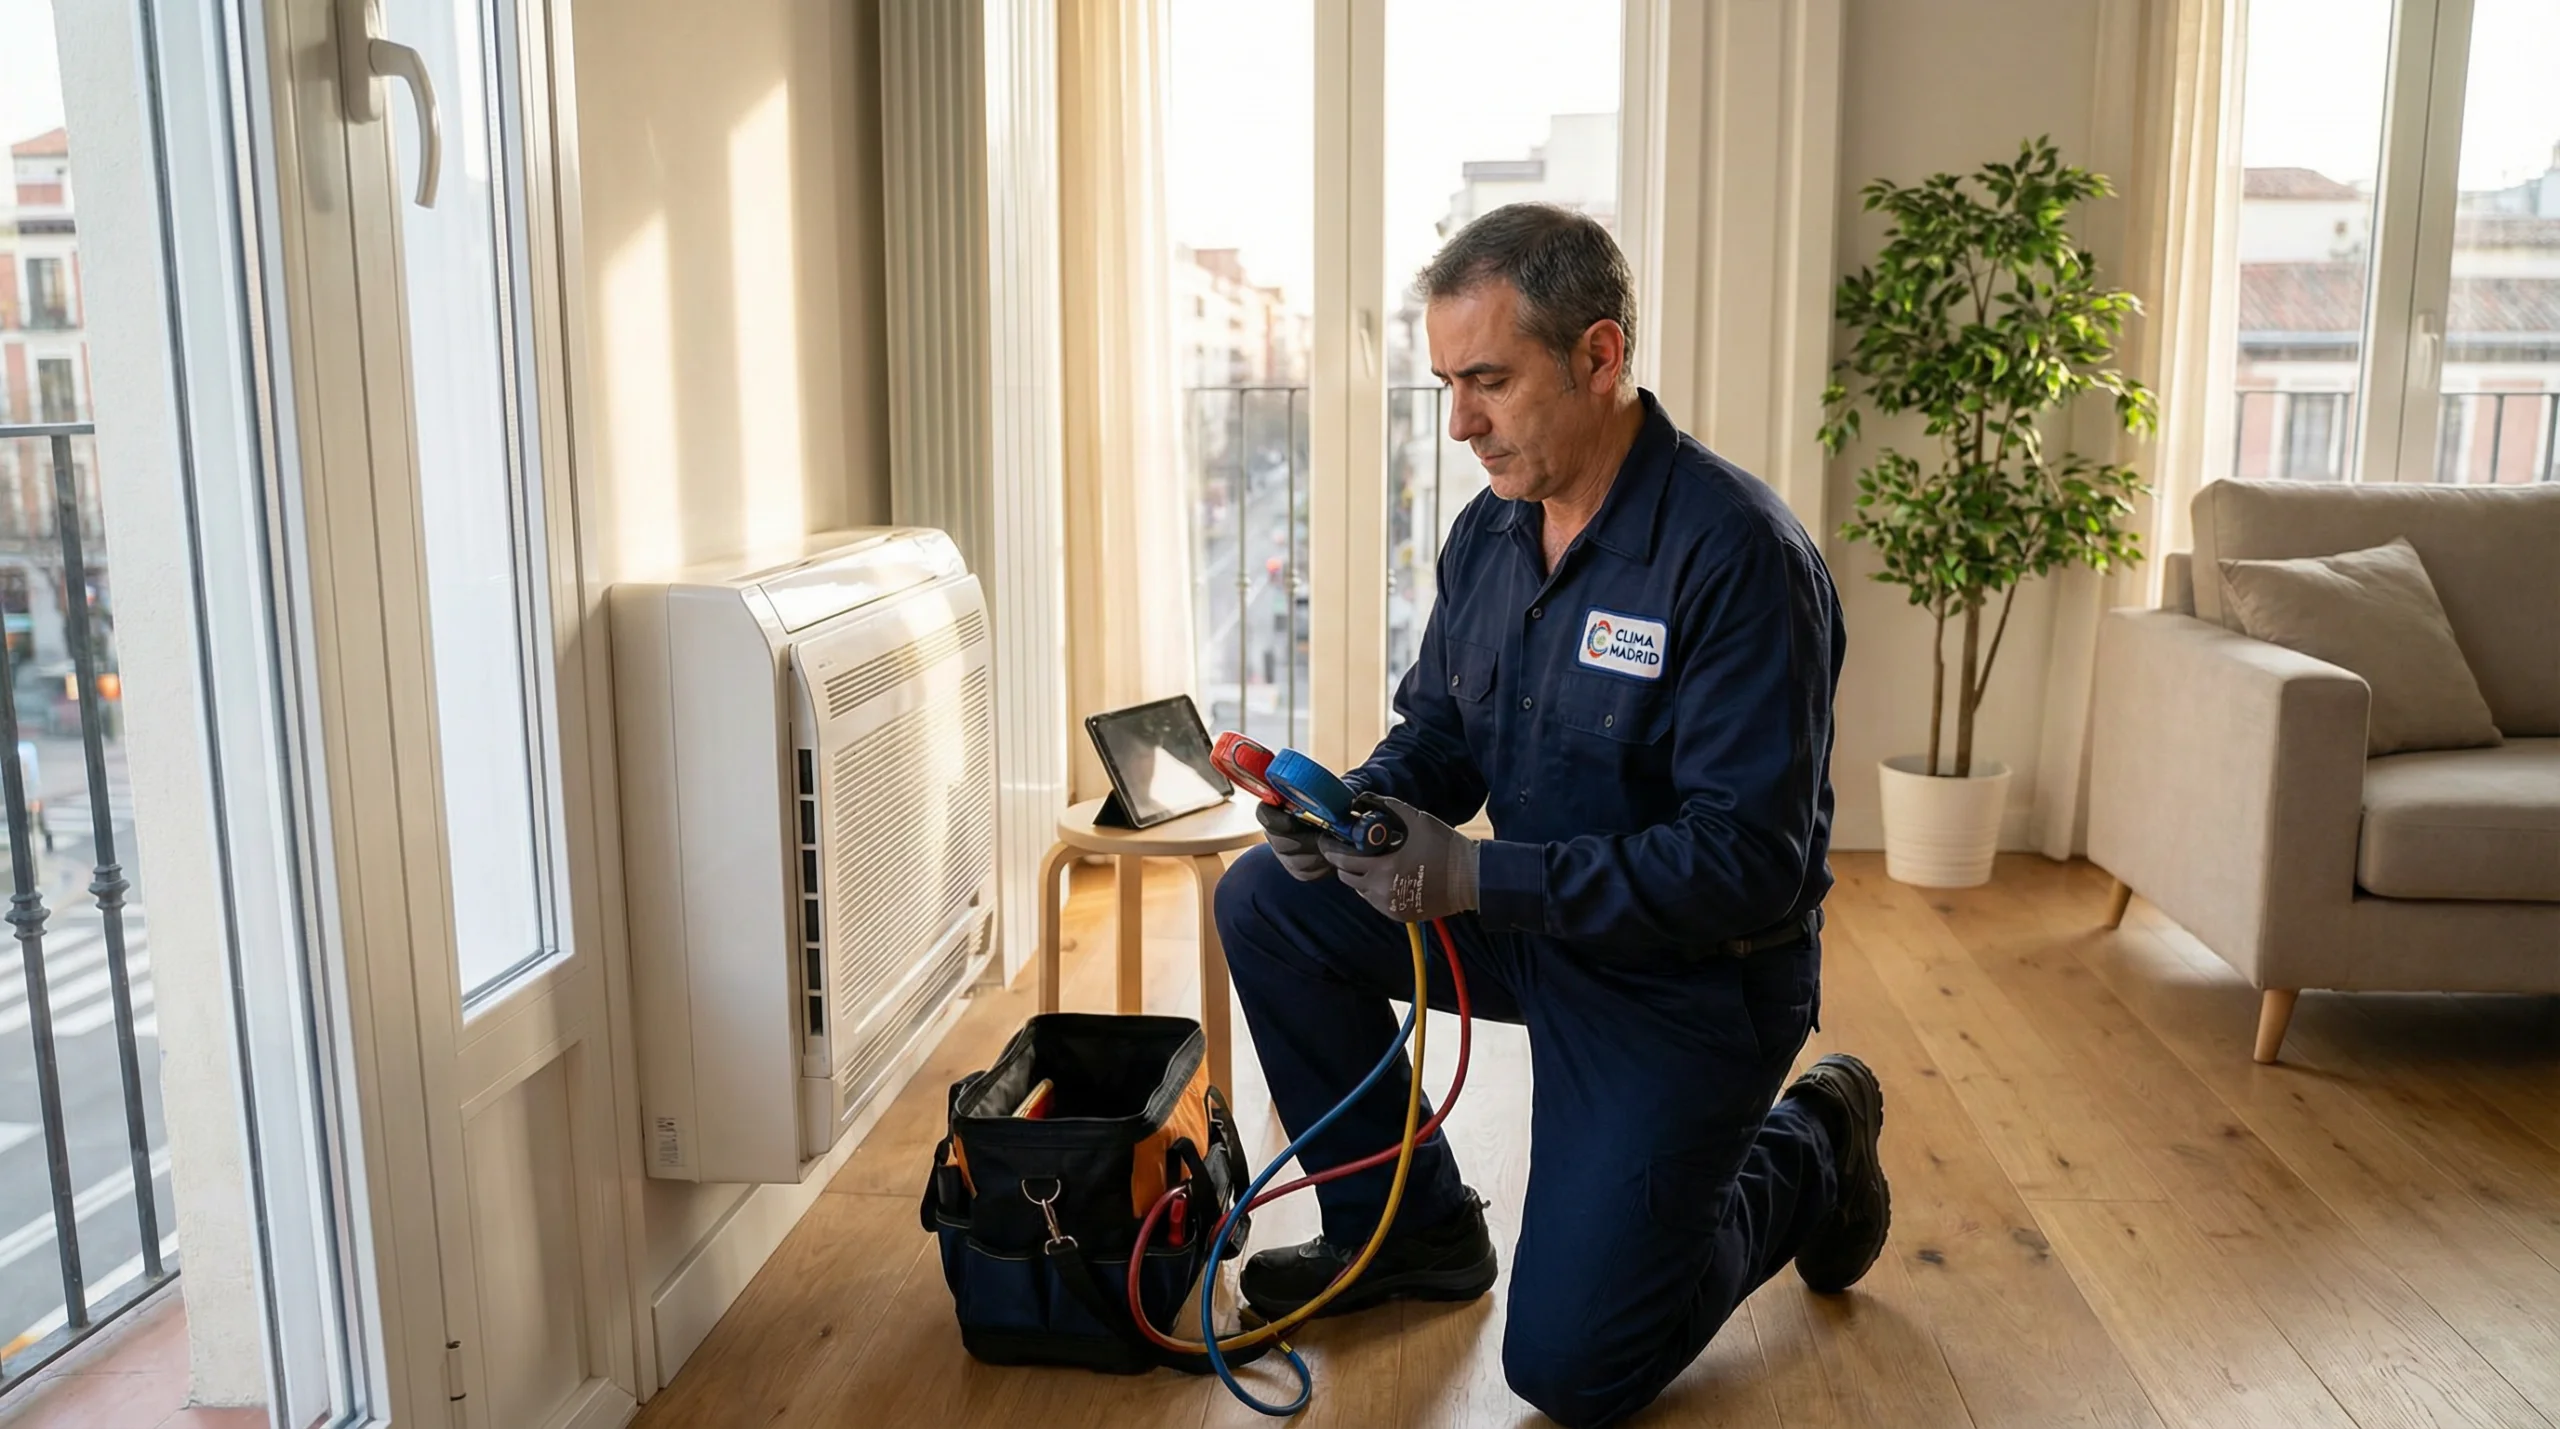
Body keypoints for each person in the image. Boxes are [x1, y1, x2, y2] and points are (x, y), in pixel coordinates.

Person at [1214, 203, 1887, 1429]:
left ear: (1598, 355)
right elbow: (1440, 736)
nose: (1460, 423)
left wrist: (1475, 879)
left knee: (1571, 1371)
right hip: (1536, 927)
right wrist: (1350, 813)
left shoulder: (1737, 557)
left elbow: (1747, 858)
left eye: (1488, 381)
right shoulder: (1490, 532)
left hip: (1691, 979)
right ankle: (1406, 1233)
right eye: (1446, 385)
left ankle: (1813, 1145)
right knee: (1267, 900)